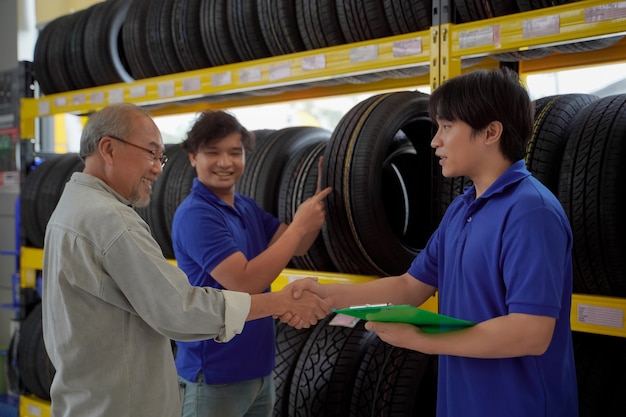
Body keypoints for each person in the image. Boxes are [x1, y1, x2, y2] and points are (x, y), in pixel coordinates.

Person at [285, 68, 578, 417]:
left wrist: (421, 339)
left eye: (447, 127)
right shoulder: (463, 208)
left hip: (519, 405)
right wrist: (326, 295)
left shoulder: (531, 213)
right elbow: (410, 287)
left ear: (491, 132)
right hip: (462, 402)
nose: (434, 140)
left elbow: (531, 332)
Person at [41, 103, 331, 417]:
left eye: (160, 156)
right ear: (109, 149)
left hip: (102, 398)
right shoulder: (113, 220)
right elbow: (181, 308)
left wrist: (318, 205)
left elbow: (293, 244)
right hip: (159, 392)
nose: (157, 168)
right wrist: (281, 300)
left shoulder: (76, 207)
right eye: (151, 153)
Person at [171, 110, 332, 417]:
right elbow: (245, 283)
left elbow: (297, 245)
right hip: (215, 376)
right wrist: (300, 224)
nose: (225, 162)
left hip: (258, 371)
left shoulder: (245, 207)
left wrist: (316, 203)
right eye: (212, 153)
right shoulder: (196, 215)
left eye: (235, 152)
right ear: (193, 157)